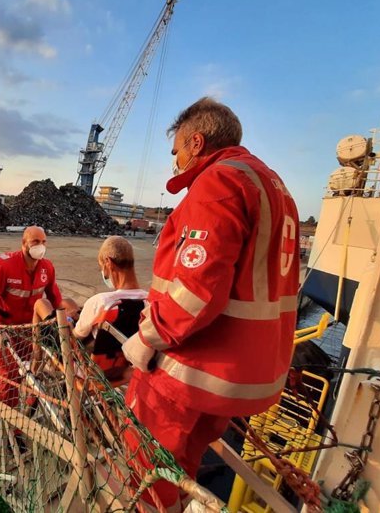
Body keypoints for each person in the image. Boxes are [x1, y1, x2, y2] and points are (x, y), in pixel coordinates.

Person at [120, 97, 300, 509]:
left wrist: (148, 337)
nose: (176, 160)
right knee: (181, 468)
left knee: (146, 465)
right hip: (243, 375)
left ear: (196, 142)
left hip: (191, 369)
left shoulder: (217, 183)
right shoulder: (274, 187)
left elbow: (196, 289)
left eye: (177, 150)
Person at [0, 225, 71, 408]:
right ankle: (12, 427)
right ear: (23, 243)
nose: (40, 246)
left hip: (30, 330)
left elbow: (55, 298)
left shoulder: (47, 268)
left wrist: (63, 321)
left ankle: (29, 410)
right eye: (35, 241)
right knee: (10, 376)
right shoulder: (5, 266)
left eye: (44, 242)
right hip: (7, 330)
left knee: (35, 374)